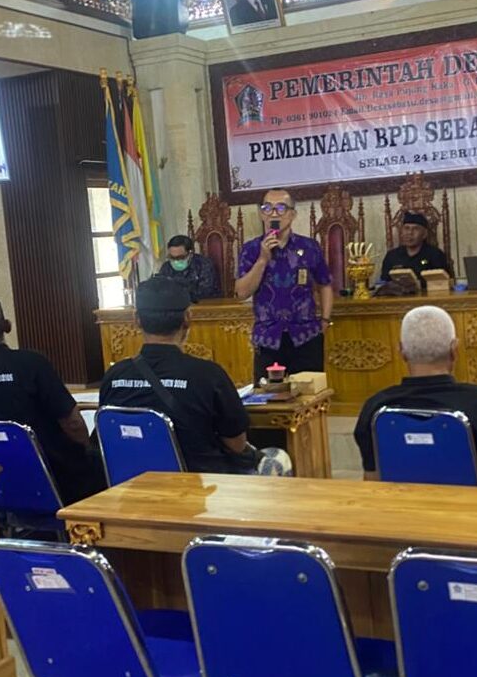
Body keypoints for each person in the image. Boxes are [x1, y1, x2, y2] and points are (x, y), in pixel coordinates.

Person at [99, 276, 291, 475]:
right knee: (278, 459)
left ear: (136, 319)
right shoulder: (208, 375)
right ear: (187, 318)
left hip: (132, 482)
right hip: (201, 485)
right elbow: (237, 444)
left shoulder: (114, 377)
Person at [0, 294, 106, 504]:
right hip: (60, 481)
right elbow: (73, 423)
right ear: (7, 326)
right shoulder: (31, 364)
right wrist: (87, 452)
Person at [354, 305, 477, 489]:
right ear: (454, 350)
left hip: (405, 506)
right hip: (475, 507)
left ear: (402, 351)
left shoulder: (375, 407)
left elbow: (373, 483)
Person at [236, 188, 333, 383]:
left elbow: (325, 284)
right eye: (267, 208)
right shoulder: (251, 249)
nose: (273, 214)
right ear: (262, 214)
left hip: (305, 335)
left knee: (309, 394)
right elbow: (241, 292)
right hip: (268, 338)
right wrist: (262, 259)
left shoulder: (309, 247)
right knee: (268, 396)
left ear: (292, 214)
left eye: (280, 208)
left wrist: (325, 320)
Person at [380, 212, 451, 285]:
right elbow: (384, 282)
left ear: (424, 234)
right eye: (406, 228)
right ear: (401, 232)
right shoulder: (392, 256)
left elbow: (444, 282)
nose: (410, 232)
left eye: (415, 229)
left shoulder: (436, 255)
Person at [158, 234, 220, 301]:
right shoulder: (166, 267)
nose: (176, 261)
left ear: (190, 254)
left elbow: (205, 292)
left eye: (180, 257)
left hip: (202, 304)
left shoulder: (204, 264)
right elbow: (160, 290)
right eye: (172, 257)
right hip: (173, 305)